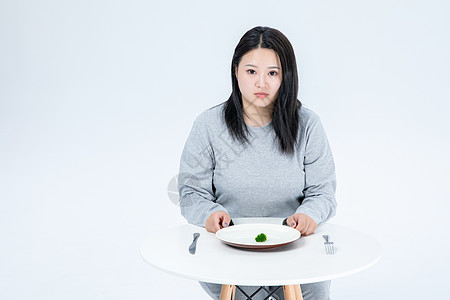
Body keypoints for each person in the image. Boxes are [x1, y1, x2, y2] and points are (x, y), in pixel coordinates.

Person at [177, 26, 336, 300]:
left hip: (295, 251)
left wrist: (310, 215)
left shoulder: (309, 125)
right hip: (228, 251)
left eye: (272, 73)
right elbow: (191, 193)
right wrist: (209, 214)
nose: (261, 83)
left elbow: (323, 192)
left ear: (286, 77)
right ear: (235, 71)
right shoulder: (208, 126)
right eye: (251, 72)